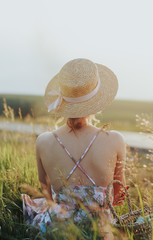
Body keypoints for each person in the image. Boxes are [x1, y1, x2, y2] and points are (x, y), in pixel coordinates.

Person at [22, 58, 126, 238]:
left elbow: (47, 194)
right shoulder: (116, 140)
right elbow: (118, 197)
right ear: (97, 99)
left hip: (58, 228)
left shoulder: (43, 141)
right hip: (100, 230)